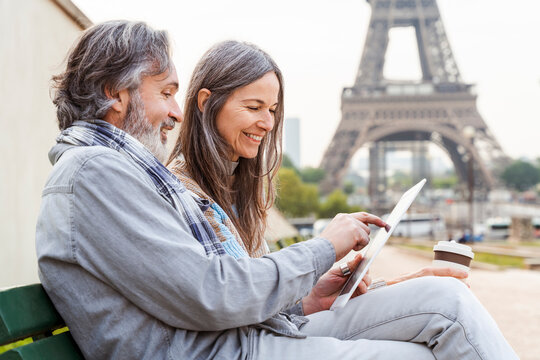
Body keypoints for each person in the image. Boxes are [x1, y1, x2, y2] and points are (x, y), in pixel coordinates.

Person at [34, 20, 517, 360]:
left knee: (446, 302)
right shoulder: (96, 174)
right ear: (112, 95)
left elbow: (210, 290)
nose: (176, 113)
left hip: (238, 339)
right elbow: (211, 294)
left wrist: (311, 288)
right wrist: (322, 250)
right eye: (165, 93)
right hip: (228, 348)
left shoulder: (118, 171)